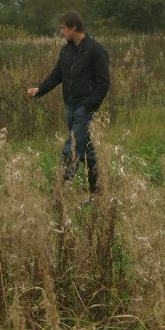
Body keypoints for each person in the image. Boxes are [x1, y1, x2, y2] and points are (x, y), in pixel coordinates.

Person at [27, 10, 110, 193]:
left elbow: (104, 83)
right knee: (87, 152)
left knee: (70, 147)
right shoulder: (66, 50)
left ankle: (59, 190)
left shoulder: (95, 50)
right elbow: (57, 75)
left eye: (64, 28)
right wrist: (40, 89)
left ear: (74, 28)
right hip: (69, 106)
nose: (62, 32)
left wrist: (90, 106)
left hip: (84, 107)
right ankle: (98, 193)